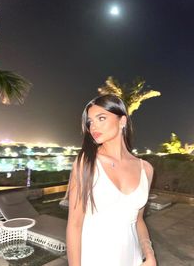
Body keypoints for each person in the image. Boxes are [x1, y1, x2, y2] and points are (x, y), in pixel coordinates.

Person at [66, 94, 157, 266]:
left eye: (101, 118)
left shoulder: (146, 169)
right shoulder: (86, 163)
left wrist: (149, 253)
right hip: (94, 259)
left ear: (122, 121)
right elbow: (74, 225)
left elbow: (138, 220)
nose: (93, 126)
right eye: (90, 122)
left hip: (133, 259)